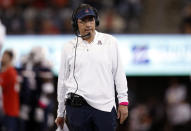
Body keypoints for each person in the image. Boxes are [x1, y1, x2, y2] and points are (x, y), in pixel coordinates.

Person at [55, 3, 129, 131]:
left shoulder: (110, 42)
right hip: (77, 108)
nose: (88, 24)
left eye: (91, 19)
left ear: (96, 21)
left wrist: (123, 102)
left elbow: (119, 73)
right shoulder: (68, 47)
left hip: (104, 106)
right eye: (83, 21)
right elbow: (62, 81)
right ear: (75, 24)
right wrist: (60, 112)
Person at [0, 50, 20, 131]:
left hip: (9, 109)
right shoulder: (7, 72)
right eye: (3, 56)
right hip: (7, 109)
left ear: (10, 58)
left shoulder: (10, 72)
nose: (3, 58)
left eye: (5, 57)